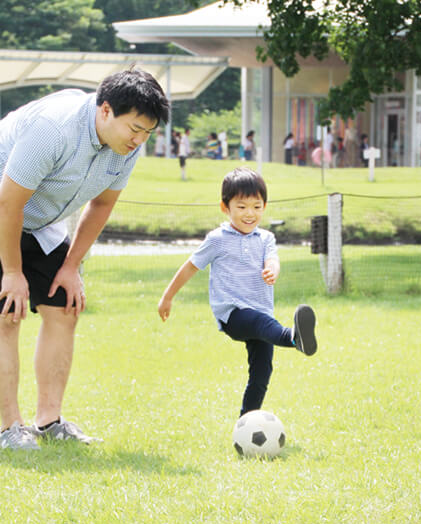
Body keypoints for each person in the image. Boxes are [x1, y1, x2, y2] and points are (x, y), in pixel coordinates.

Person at [0, 68, 169, 450]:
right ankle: (9, 428)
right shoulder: (54, 130)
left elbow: (102, 204)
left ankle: (49, 421)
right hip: (2, 209)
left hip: (40, 220)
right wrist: (12, 272)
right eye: (135, 129)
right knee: (7, 312)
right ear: (105, 110)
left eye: (147, 132)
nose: (139, 140)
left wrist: (71, 266)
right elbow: (8, 204)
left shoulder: (127, 147)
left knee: (65, 307)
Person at [158, 167, 317, 417]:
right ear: (225, 207)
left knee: (261, 373)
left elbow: (273, 260)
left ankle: (245, 422)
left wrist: (272, 270)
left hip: (261, 313)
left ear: (264, 206)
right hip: (233, 315)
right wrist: (167, 297)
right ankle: (295, 337)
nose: (250, 214)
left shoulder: (265, 238)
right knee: (262, 323)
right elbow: (190, 267)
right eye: (241, 207)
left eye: (256, 206)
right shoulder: (217, 239)